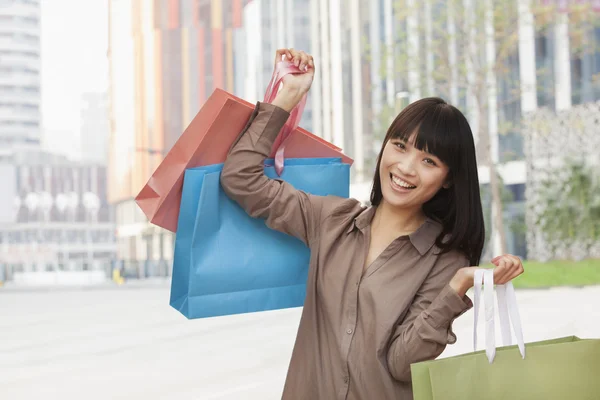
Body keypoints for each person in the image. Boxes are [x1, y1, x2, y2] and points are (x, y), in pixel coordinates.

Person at [221, 48, 524, 400]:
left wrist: (456, 286)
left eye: (428, 160)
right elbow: (240, 179)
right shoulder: (331, 220)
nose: (406, 167)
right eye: (399, 146)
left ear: (448, 179)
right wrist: (287, 97)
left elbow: (401, 362)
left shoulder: (445, 259)